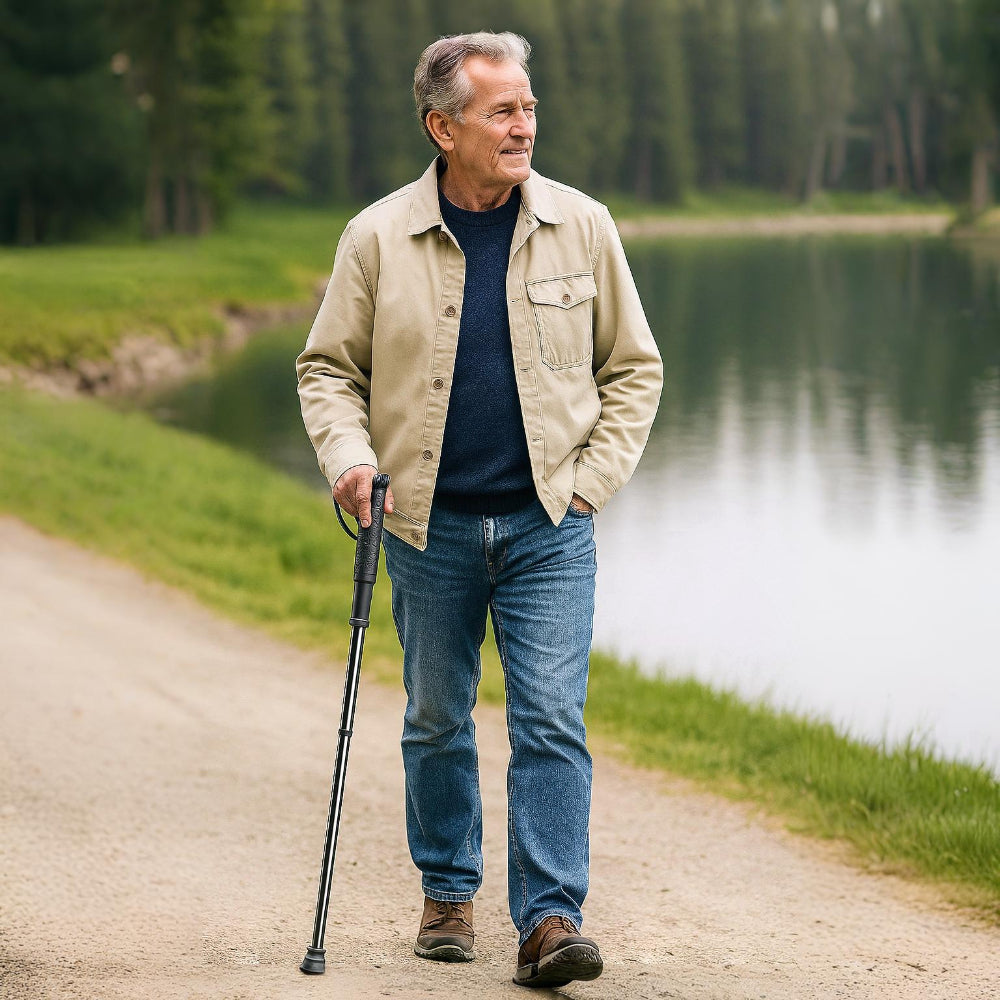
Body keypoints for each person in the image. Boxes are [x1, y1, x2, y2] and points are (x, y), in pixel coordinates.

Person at [297, 31, 662, 989]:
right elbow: (328, 369)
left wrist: (592, 484)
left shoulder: (583, 224)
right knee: (434, 717)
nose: (524, 124)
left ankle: (549, 919)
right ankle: (448, 890)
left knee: (550, 719)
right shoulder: (378, 235)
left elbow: (634, 369)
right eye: (502, 110)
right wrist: (349, 459)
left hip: (550, 524)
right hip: (425, 526)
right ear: (441, 125)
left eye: (528, 106)